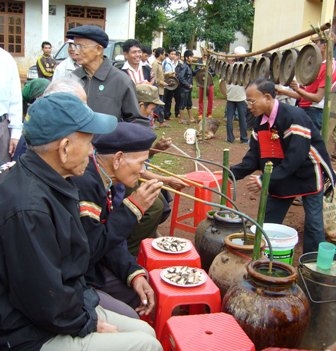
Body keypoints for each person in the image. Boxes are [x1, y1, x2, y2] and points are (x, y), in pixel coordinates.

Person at [0, 92, 162, 351]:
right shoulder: (30, 208)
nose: (91, 153)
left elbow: (70, 266)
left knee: (145, 330)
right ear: (64, 148)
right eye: (88, 143)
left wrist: (87, 308)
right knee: (146, 345)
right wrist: (86, 322)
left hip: (60, 309)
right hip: (27, 332)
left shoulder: (53, 182)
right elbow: (43, 298)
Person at [230, 78, 335, 254]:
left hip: (307, 173)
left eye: (252, 100)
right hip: (281, 174)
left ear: (268, 97)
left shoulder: (294, 116)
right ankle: (262, 257)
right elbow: (254, 156)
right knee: (268, 222)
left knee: (314, 224)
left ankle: (310, 266)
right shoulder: (260, 122)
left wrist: (265, 179)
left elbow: (297, 157)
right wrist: (232, 172)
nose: (248, 105)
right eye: (247, 100)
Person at [71, 122, 163, 316]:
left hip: (93, 265)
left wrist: (133, 273)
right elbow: (91, 248)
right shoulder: (87, 183)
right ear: (118, 158)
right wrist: (132, 209)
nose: (143, 170)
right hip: (77, 278)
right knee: (134, 309)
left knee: (145, 292)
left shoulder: (105, 177)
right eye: (141, 163)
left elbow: (109, 238)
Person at [66, 25, 145, 123]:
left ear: (98, 49)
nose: (75, 52)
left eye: (80, 47)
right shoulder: (71, 79)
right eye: (74, 46)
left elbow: (135, 121)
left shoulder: (121, 81)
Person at [277, 33, 336, 131]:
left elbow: (317, 98)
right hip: (304, 109)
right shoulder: (314, 65)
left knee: (310, 145)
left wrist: (297, 89)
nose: (314, 46)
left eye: (316, 43)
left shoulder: (330, 67)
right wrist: (283, 91)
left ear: (325, 45)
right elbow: (301, 95)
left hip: (315, 112)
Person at [0, 47, 22, 164]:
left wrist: (15, 134)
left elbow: (15, 98)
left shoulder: (5, 59)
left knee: (3, 176)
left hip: (1, 127)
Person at [224, 47, 248, 144]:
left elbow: (226, 81)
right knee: (242, 118)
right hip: (241, 95)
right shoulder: (246, 68)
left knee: (229, 118)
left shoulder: (229, 67)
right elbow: (247, 82)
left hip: (230, 95)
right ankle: (244, 138)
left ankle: (230, 138)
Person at [151, 47, 169, 128]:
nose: (165, 55)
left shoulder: (160, 63)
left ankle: (161, 122)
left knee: (161, 106)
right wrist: (162, 83)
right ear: (160, 54)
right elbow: (154, 77)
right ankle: (153, 123)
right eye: (164, 53)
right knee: (156, 106)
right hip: (157, 88)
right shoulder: (155, 63)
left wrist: (169, 74)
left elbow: (160, 75)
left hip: (161, 89)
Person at [177, 49, 196, 124]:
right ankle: (181, 119)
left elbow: (192, 73)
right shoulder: (184, 66)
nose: (192, 58)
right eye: (191, 57)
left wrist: (200, 70)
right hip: (184, 89)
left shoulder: (189, 66)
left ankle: (191, 118)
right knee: (182, 104)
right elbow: (180, 77)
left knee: (189, 104)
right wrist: (187, 84)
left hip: (188, 89)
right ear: (186, 58)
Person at [197, 53, 215, 120]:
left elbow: (214, 72)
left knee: (210, 99)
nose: (205, 56)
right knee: (201, 99)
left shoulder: (211, 62)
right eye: (204, 55)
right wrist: (201, 69)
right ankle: (200, 113)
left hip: (210, 83)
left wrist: (208, 73)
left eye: (206, 55)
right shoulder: (199, 61)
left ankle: (209, 113)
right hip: (201, 82)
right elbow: (196, 70)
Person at [162, 48, 177, 121]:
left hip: (172, 84)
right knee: (164, 100)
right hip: (165, 83)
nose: (173, 55)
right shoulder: (165, 62)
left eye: (174, 54)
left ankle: (167, 115)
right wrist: (169, 74)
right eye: (172, 54)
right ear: (168, 54)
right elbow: (161, 73)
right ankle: (162, 115)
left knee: (169, 100)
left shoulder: (173, 62)